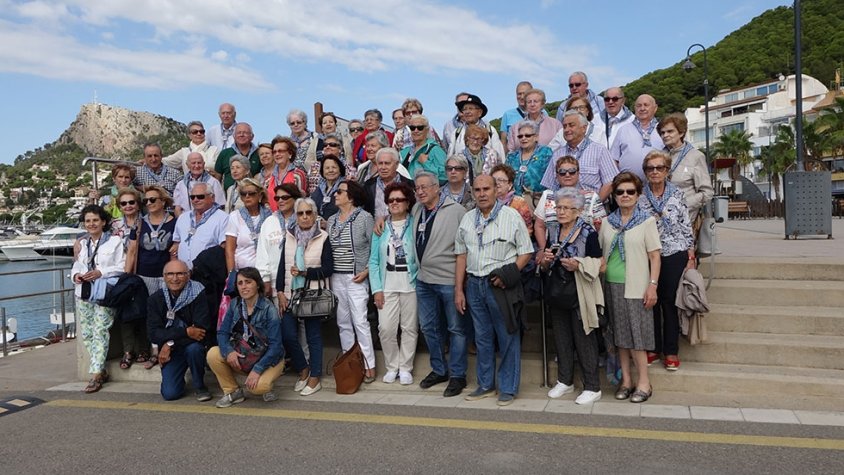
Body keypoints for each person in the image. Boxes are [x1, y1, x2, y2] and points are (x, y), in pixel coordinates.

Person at [455, 175, 533, 406]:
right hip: (474, 284)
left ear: (496, 189)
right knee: (482, 337)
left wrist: (509, 275)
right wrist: (458, 290)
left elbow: (526, 252)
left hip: (499, 285)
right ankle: (486, 384)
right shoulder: (468, 219)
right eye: (477, 189)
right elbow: (461, 255)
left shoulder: (511, 216)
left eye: (486, 188)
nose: (481, 193)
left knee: (507, 335)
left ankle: (508, 388)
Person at [599, 172, 661, 404]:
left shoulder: (647, 221)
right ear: (614, 196)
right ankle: (626, 381)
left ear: (637, 195)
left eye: (630, 192)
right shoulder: (607, 222)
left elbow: (655, 256)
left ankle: (644, 382)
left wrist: (652, 286)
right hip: (611, 286)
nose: (625, 196)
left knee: (637, 337)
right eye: (620, 192)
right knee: (619, 338)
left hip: (636, 286)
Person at [538, 188, 603, 404]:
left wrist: (578, 264)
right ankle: (565, 381)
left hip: (579, 290)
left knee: (584, 338)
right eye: (559, 207)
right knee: (561, 336)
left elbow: (599, 265)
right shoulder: (553, 229)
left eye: (567, 208)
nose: (562, 211)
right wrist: (546, 259)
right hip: (557, 289)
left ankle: (592, 386)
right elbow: (546, 261)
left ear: (578, 211)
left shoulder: (588, 232)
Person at [412, 171, 468, 397]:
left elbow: (464, 248)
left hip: (448, 280)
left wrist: (459, 287)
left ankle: (458, 375)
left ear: (438, 188)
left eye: (425, 187)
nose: (421, 191)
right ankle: (439, 369)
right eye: (417, 188)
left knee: (456, 329)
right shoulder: (417, 210)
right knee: (428, 327)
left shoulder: (456, 211)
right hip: (424, 280)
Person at [638, 151, 695, 371]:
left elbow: (685, 224)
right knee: (650, 301)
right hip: (648, 253)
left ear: (667, 171)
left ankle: (671, 350)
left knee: (669, 302)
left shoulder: (677, 194)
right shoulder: (640, 196)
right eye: (650, 168)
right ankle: (653, 346)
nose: (655, 172)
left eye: (659, 168)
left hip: (674, 252)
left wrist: (691, 254)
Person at [275, 198, 334, 396]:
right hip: (290, 293)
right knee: (288, 334)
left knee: (313, 336)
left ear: (315, 215)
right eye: (301, 213)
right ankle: (303, 369)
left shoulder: (323, 237)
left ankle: (315, 377)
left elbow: (328, 269)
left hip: (312, 294)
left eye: (309, 212)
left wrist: (304, 272)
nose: (305, 217)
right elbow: (282, 265)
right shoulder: (289, 235)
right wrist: (280, 291)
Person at [208, 267, 285, 407]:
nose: (244, 287)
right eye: (240, 283)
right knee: (213, 354)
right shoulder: (234, 304)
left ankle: (265, 384)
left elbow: (276, 347)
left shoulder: (269, 309)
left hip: (268, 359)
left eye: (248, 282)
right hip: (245, 355)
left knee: (258, 388)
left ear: (257, 284)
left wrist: (258, 369)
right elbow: (222, 333)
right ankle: (233, 391)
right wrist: (229, 351)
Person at [72, 204, 126, 393]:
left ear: (103, 222)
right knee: (87, 333)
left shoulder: (115, 242)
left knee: (100, 330)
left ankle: (95, 374)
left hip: (104, 293)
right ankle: (100, 369)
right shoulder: (83, 243)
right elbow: (78, 265)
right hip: (84, 292)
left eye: (95, 220)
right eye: (88, 221)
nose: (91, 224)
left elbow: (122, 266)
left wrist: (101, 272)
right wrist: (76, 276)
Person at [369, 182, 418, 384]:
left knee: (409, 328)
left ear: (408, 203)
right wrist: (376, 289)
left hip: (410, 283)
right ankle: (392, 365)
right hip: (387, 284)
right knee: (386, 329)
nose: (395, 203)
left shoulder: (415, 223)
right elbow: (373, 261)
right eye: (391, 200)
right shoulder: (380, 227)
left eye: (399, 200)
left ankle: (406, 367)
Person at [327, 180, 376, 381]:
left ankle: (369, 364)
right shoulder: (331, 220)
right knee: (343, 322)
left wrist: (366, 271)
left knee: (360, 321)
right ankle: (351, 364)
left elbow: (375, 248)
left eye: (340, 191)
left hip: (356, 277)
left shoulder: (364, 217)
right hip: (336, 276)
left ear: (351, 196)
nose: (335, 194)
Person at [125, 185, 177, 370]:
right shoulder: (140, 223)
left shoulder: (175, 222)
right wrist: (127, 275)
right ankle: (154, 349)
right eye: (146, 201)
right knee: (150, 314)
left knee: (169, 312)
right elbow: (131, 251)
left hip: (167, 275)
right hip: (144, 275)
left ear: (163, 201)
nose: (149, 203)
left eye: (153, 199)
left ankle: (169, 346)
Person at [146, 260, 212, 401]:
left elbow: (200, 331)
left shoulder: (199, 293)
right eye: (170, 274)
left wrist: (169, 343)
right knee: (170, 394)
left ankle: (200, 385)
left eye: (180, 274)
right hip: (173, 349)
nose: (175, 278)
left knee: (194, 349)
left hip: (192, 346)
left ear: (188, 276)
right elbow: (153, 334)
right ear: (164, 277)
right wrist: (185, 332)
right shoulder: (155, 299)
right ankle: (177, 378)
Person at [541, 110, 618, 201]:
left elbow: (610, 182)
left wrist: (594, 206)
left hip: (594, 210)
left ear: (584, 128)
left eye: (571, 125)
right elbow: (550, 187)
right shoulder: (557, 155)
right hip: (564, 210)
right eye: (565, 126)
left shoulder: (599, 150)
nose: (567, 130)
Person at [534, 156, 607, 251]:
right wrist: (543, 250)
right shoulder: (547, 195)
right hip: (552, 250)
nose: (567, 175)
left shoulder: (591, 196)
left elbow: (601, 227)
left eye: (572, 171)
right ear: (557, 175)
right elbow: (539, 226)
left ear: (578, 173)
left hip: (584, 250)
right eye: (562, 172)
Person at [110, 187, 149, 369]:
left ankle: (144, 349)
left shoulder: (146, 222)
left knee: (143, 312)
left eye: (131, 202)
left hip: (142, 271)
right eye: (123, 203)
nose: (128, 206)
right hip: (121, 273)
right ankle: (128, 350)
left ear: (138, 204)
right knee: (125, 313)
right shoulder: (114, 225)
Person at [658, 113, 714, 224]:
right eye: (662, 132)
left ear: (681, 133)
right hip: (660, 219)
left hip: (685, 220)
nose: (665, 135)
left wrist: (682, 205)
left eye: (670, 131)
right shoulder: (658, 156)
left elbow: (707, 192)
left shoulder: (695, 156)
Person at [172, 182, 228, 269]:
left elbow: (224, 247)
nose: (195, 200)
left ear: (212, 198)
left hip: (208, 273)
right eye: (192, 197)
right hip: (183, 273)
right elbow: (176, 244)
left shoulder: (223, 218)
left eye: (200, 197)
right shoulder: (183, 217)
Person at [611, 94, 664, 181]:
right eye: (639, 106)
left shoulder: (663, 129)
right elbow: (614, 159)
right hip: (629, 187)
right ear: (635, 108)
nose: (642, 108)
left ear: (655, 108)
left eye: (646, 105)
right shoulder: (623, 130)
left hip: (657, 184)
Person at [225, 178, 272, 274]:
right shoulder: (235, 216)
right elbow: (229, 249)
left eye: (251, 193)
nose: (247, 196)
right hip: (242, 271)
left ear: (260, 195)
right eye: (243, 194)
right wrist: (231, 274)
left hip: (266, 270)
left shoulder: (269, 216)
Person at [447, 94, 505, 160]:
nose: (467, 112)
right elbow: (450, 158)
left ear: (480, 112)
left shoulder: (490, 131)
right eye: (465, 109)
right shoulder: (456, 133)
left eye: (471, 108)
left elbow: (500, 157)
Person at [505, 120, 553, 199]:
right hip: (515, 201)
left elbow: (551, 178)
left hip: (538, 200)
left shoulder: (545, 153)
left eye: (527, 135)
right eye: (520, 136)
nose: (523, 138)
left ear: (536, 137)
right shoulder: (512, 157)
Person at [364, 147, 413, 222]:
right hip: (376, 230)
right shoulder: (368, 185)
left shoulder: (409, 184)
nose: (383, 167)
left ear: (396, 165)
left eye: (387, 163)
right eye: (380, 163)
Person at [400, 114, 447, 184]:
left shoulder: (436, 150)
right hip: (407, 193)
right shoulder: (404, 152)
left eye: (420, 127)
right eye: (412, 128)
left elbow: (445, 176)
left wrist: (426, 163)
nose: (416, 130)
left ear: (427, 130)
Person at [266, 136, 307, 210]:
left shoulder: (297, 175)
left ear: (290, 154)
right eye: (274, 152)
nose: (277, 154)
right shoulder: (269, 179)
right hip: (273, 218)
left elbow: (300, 202)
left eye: (280, 151)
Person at [490, 164, 533, 236]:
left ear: (510, 185)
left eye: (501, 180)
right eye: (494, 180)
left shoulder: (519, 202)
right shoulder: (487, 201)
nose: (497, 183)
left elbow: (527, 230)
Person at [215, 122, 261, 190]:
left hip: (253, 195)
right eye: (239, 133)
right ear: (234, 136)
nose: (241, 135)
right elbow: (217, 179)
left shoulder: (259, 153)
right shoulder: (225, 154)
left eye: (245, 133)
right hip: (230, 197)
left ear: (252, 136)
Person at [310, 153, 346, 220]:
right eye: (327, 168)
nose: (330, 170)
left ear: (340, 170)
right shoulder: (319, 188)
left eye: (334, 167)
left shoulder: (345, 188)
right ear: (322, 171)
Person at [499, 81, 535, 149]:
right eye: (519, 94)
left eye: (524, 94)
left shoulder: (542, 113)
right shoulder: (507, 115)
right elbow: (503, 142)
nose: (521, 97)